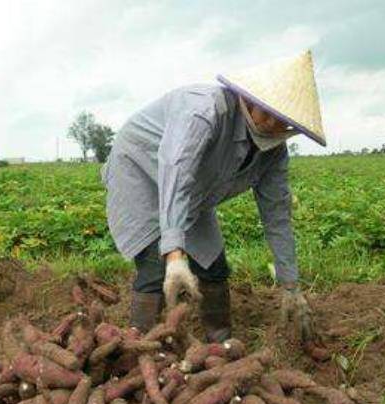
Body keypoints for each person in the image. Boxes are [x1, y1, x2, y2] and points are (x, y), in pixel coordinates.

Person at [102, 50, 326, 347]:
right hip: (141, 171)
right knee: (156, 266)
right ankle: (139, 348)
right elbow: (176, 171)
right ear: (248, 98)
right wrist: (174, 254)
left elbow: (277, 216)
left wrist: (290, 285)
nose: (272, 124)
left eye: (282, 121)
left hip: (193, 190)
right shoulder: (203, 111)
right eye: (267, 113)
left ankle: (219, 347)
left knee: (214, 266)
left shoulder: (273, 151)